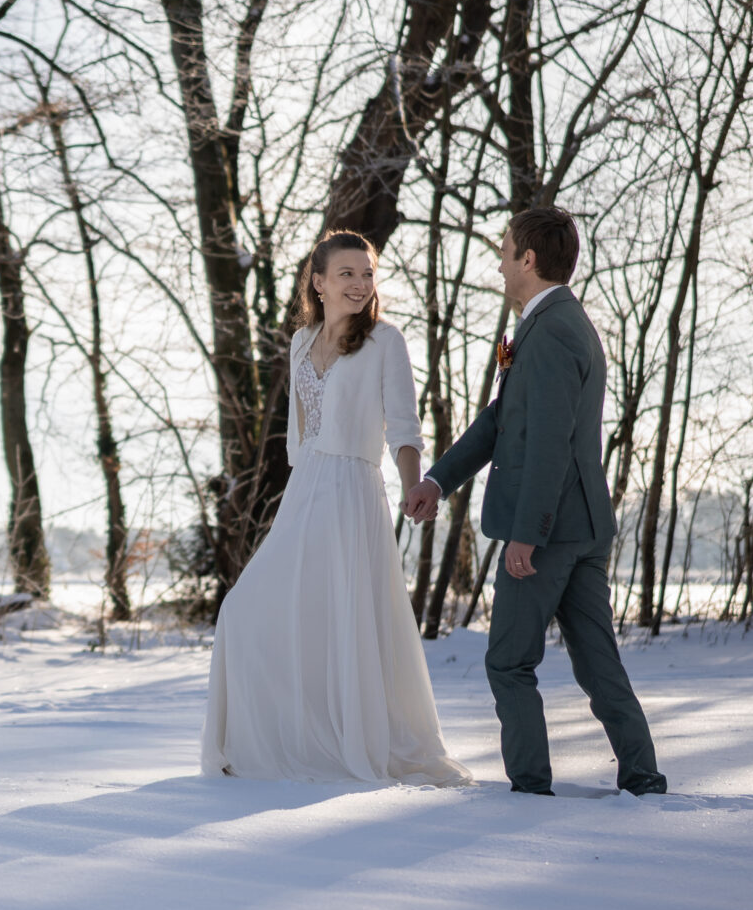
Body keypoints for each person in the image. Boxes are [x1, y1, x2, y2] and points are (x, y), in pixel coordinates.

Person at [402, 208, 667, 796]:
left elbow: (549, 444)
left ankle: (529, 790)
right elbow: (502, 421)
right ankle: (644, 779)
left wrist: (527, 533)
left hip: (548, 532)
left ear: (528, 258)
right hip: (581, 525)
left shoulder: (551, 332)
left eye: (505, 252)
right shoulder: (555, 322)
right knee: (597, 664)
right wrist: (438, 481)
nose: (499, 264)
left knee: (508, 662)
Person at [202, 231, 471, 787]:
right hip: (306, 489)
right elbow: (299, 435)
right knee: (245, 611)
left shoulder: (385, 341)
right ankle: (278, 741)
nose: (360, 283)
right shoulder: (301, 342)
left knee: (345, 618)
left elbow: (404, 426)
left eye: (367, 273)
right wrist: (301, 486)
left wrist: (413, 487)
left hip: (352, 490)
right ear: (318, 283)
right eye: (346, 273)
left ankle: (349, 744)